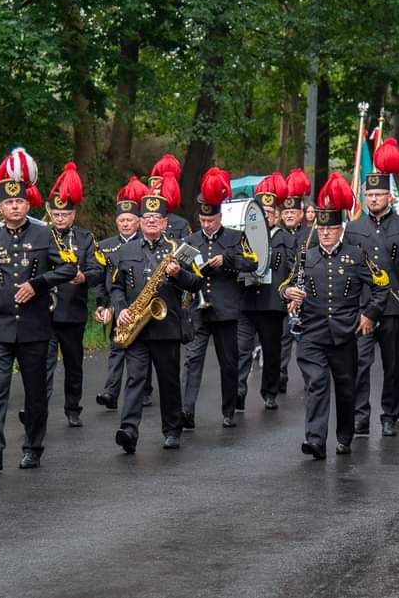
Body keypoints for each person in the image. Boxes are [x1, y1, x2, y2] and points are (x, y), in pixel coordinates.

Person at [0, 148, 79, 471]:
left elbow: (69, 268)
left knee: (35, 393)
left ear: (28, 204)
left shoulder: (45, 234)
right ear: (1, 208)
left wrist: (38, 284)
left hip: (34, 328)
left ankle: (33, 446)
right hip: (0, 327)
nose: (14, 206)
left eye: (19, 201)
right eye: (8, 203)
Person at [282, 173, 386, 459]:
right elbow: (286, 285)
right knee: (316, 382)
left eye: (331, 229)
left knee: (345, 388)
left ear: (340, 229)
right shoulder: (307, 256)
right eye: (322, 229)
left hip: (344, 333)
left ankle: (344, 436)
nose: (326, 233)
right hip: (312, 332)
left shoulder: (356, 255)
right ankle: (315, 440)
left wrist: (369, 314)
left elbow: (381, 285)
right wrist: (289, 293)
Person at [110, 192, 202, 453]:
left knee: (168, 380)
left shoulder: (179, 249)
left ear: (165, 223)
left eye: (156, 217)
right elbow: (116, 287)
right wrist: (121, 310)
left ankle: (172, 430)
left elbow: (196, 283)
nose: (151, 221)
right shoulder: (125, 250)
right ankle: (128, 430)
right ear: (139, 221)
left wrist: (179, 273)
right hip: (137, 326)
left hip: (166, 326)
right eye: (147, 217)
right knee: (135, 379)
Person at [346, 139, 399, 437]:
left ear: (389, 196)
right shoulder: (354, 228)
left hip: (393, 305)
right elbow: (349, 268)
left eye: (378, 194)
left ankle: (389, 414)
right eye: (369, 194)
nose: (374, 199)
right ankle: (359, 416)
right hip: (363, 307)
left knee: (392, 364)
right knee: (359, 363)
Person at [181, 167, 259, 428]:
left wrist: (227, 261)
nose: (206, 225)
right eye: (203, 221)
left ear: (220, 217)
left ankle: (228, 410)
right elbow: (180, 270)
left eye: (211, 220)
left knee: (229, 363)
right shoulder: (190, 240)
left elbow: (252, 262)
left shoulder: (235, 238)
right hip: (199, 310)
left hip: (226, 310)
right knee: (192, 361)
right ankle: (186, 411)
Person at [41, 163, 103, 428]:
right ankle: (38, 409)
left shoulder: (85, 238)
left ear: (73, 214)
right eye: (55, 214)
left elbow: (98, 269)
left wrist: (84, 278)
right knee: (42, 364)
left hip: (72, 310)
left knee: (73, 364)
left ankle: (73, 408)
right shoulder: (41, 236)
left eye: (64, 214)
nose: (59, 219)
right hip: (44, 311)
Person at [237, 174, 294, 410]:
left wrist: (288, 292)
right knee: (242, 350)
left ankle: (270, 391)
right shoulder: (244, 236)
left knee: (271, 350)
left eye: (269, 212)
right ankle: (238, 391)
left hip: (272, 303)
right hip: (247, 301)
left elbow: (292, 268)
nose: (265, 216)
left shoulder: (285, 238)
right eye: (261, 212)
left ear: (277, 216)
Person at [94, 178, 147, 410]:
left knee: (142, 349)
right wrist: (102, 304)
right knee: (117, 346)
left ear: (138, 222)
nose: (125, 224)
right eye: (122, 220)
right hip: (117, 304)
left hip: (141, 303)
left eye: (129, 220)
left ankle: (144, 390)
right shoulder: (105, 246)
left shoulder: (146, 243)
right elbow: (101, 279)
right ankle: (111, 392)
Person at [277, 168, 312, 394]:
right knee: (281, 341)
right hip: (281, 295)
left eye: (293, 211)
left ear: (302, 212)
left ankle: (311, 379)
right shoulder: (277, 234)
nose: (289, 215)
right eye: (285, 211)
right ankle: (280, 378)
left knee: (306, 342)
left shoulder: (311, 235)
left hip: (305, 296)